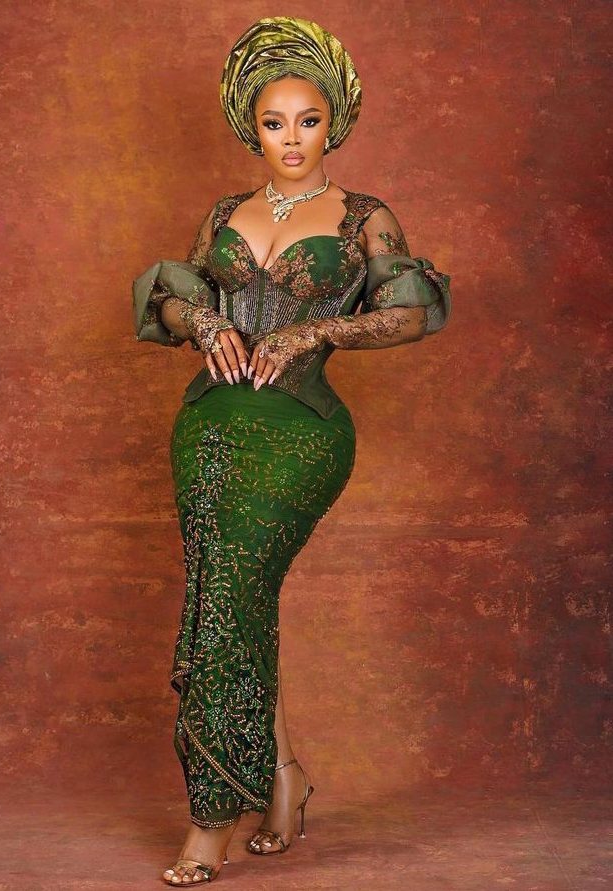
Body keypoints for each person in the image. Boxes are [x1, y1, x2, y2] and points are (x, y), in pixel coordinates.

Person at [132, 15, 452, 886]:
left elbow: (410, 314)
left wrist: (315, 330)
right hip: (208, 426)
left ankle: (210, 823)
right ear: (252, 126)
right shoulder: (223, 214)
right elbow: (172, 302)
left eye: (308, 120)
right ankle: (283, 781)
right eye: (274, 123)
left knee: (230, 597)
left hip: (302, 433)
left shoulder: (365, 217)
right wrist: (203, 322)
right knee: (229, 600)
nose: (292, 138)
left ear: (334, 120)